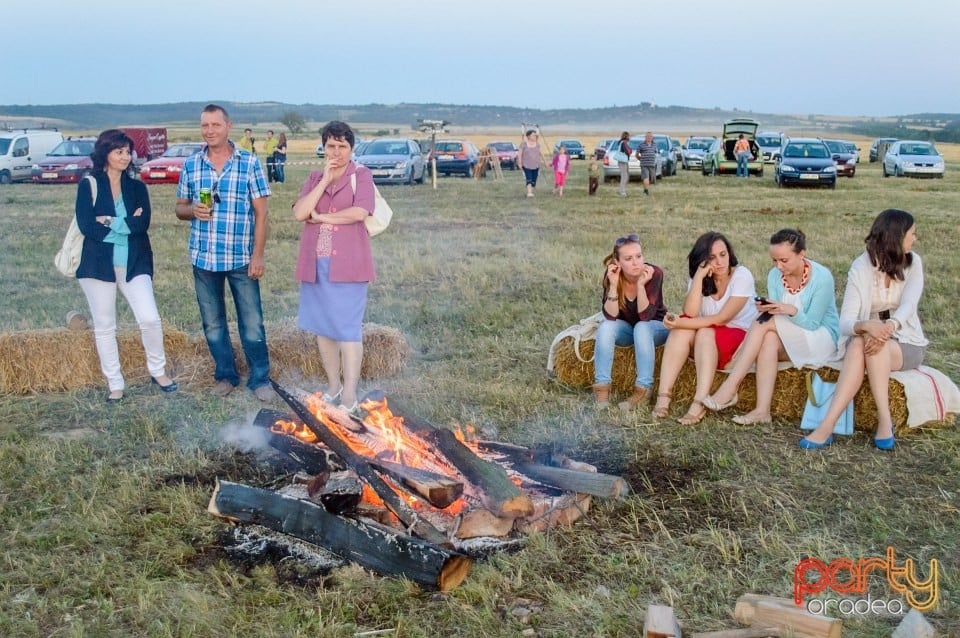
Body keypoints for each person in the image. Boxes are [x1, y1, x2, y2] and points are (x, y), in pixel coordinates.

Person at [800, 210, 927, 451]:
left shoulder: (914, 263)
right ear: (896, 237)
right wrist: (866, 326)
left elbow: (910, 304)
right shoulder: (861, 267)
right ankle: (833, 425)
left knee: (868, 343)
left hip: (905, 338)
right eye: (912, 233)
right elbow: (845, 323)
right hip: (866, 336)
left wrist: (888, 327)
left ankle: (880, 420)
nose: (915, 238)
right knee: (861, 342)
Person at [175, 104, 274, 401]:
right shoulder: (192, 164)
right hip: (204, 257)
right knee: (213, 322)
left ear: (228, 126)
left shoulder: (249, 162)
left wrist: (257, 255)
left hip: (241, 257)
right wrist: (192, 210)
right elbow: (179, 208)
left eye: (215, 125)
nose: (209, 131)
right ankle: (226, 375)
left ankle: (260, 379)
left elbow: (262, 214)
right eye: (205, 125)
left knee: (252, 321)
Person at [75, 129, 176, 403]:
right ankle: (115, 383)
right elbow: (87, 226)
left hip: (135, 262)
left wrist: (109, 221)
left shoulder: (137, 187)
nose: (125, 156)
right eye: (119, 151)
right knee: (105, 326)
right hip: (98, 266)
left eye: (127, 151)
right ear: (105, 154)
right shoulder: (89, 185)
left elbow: (141, 225)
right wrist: (125, 225)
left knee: (150, 319)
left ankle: (158, 371)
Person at [703, 229, 840, 425]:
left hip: (821, 336)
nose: (778, 266)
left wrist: (790, 310)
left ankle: (731, 386)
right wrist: (767, 307)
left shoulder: (822, 277)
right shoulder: (774, 276)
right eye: (774, 260)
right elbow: (776, 315)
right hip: (788, 333)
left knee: (766, 323)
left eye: (784, 260)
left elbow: (812, 323)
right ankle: (762, 411)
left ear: (802, 254)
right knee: (768, 338)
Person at [292, 121, 376, 414]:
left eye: (342, 146)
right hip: (315, 266)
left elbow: (360, 211)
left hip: (349, 266)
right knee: (323, 328)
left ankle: (350, 395)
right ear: (323, 147)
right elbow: (300, 213)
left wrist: (325, 218)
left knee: (348, 329)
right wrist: (325, 182)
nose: (336, 152)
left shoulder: (361, 176)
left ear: (351, 149)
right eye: (331, 146)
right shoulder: (315, 177)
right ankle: (333, 387)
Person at [655, 232, 758, 424]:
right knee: (682, 330)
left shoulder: (742, 275)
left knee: (699, 330)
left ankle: (699, 402)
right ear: (702, 260)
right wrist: (699, 277)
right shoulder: (700, 278)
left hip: (739, 337)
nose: (719, 261)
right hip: (708, 340)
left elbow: (721, 319)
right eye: (711, 257)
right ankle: (664, 395)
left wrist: (681, 321)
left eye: (723, 254)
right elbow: (691, 312)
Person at [593, 234, 669, 411]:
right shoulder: (613, 275)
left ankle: (643, 391)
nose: (636, 262)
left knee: (642, 327)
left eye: (639, 256)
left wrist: (642, 285)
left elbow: (645, 316)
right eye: (628, 258)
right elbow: (610, 316)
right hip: (629, 330)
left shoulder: (654, 273)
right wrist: (612, 285)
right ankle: (602, 391)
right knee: (606, 327)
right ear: (617, 262)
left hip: (655, 328)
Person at [519, 129, 542, 198]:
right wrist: (519, 163)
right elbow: (519, 154)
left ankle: (531, 189)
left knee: (534, 180)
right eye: (533, 135)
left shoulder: (537, 144)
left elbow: (540, 154)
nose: (535, 136)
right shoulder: (523, 144)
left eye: (535, 135)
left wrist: (544, 162)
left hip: (536, 165)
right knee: (529, 178)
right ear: (528, 136)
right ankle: (529, 193)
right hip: (526, 164)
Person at [616, 131, 631, 197]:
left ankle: (621, 190)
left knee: (625, 176)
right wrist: (630, 151)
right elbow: (628, 151)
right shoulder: (624, 143)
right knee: (624, 176)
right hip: (623, 161)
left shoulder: (621, 142)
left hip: (622, 161)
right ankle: (622, 191)